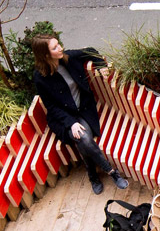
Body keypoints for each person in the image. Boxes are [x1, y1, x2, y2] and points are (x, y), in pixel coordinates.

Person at [32, 34, 128, 195]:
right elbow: (52, 107)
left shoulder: (69, 57)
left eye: (58, 44)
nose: (60, 48)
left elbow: (91, 51)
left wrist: (101, 65)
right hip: (65, 118)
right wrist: (71, 123)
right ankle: (112, 172)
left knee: (83, 140)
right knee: (82, 137)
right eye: (55, 47)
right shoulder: (40, 77)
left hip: (83, 109)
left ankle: (93, 176)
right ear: (46, 55)